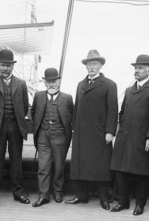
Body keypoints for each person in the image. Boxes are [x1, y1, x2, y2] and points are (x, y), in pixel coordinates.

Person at [110, 54, 149, 215]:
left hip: (142, 139)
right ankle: (123, 201)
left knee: (141, 173)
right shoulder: (129, 90)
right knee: (121, 171)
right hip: (125, 138)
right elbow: (122, 112)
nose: (137, 70)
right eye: (135, 68)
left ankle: (140, 204)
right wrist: (121, 132)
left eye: (140, 68)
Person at [65, 49, 118, 210]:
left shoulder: (109, 84)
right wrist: (75, 128)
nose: (92, 67)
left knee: (101, 165)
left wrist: (110, 131)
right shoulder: (81, 84)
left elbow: (113, 110)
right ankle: (82, 196)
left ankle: (103, 198)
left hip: (100, 132)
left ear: (101, 66)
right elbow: (77, 109)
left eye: (95, 64)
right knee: (80, 164)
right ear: (86, 66)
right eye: (89, 64)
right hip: (82, 133)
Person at [0, 49, 30, 204]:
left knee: (17, 160)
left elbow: (24, 106)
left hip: (16, 126)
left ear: (12, 66)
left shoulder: (21, 84)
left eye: (8, 65)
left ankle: (19, 192)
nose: (5, 68)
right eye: (2, 65)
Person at [30, 68, 73, 207]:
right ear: (44, 82)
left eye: (54, 81)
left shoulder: (67, 98)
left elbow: (72, 115)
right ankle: (44, 195)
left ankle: (58, 192)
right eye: (48, 81)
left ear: (59, 81)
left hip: (60, 136)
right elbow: (33, 112)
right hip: (43, 136)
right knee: (43, 167)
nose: (51, 84)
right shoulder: (38, 96)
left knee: (59, 166)